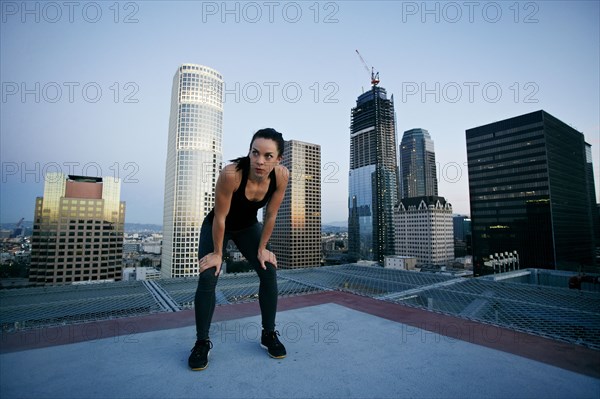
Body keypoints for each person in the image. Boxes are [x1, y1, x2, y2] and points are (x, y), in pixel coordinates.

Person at [188, 128, 290, 371]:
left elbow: (272, 214)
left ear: (278, 160)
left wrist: (262, 248)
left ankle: (268, 334)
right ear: (249, 151)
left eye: (268, 156)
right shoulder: (231, 174)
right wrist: (216, 253)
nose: (259, 161)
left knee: (268, 270)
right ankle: (202, 341)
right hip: (218, 226)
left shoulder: (281, 176)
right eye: (255, 153)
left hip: (248, 227)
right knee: (207, 275)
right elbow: (221, 218)